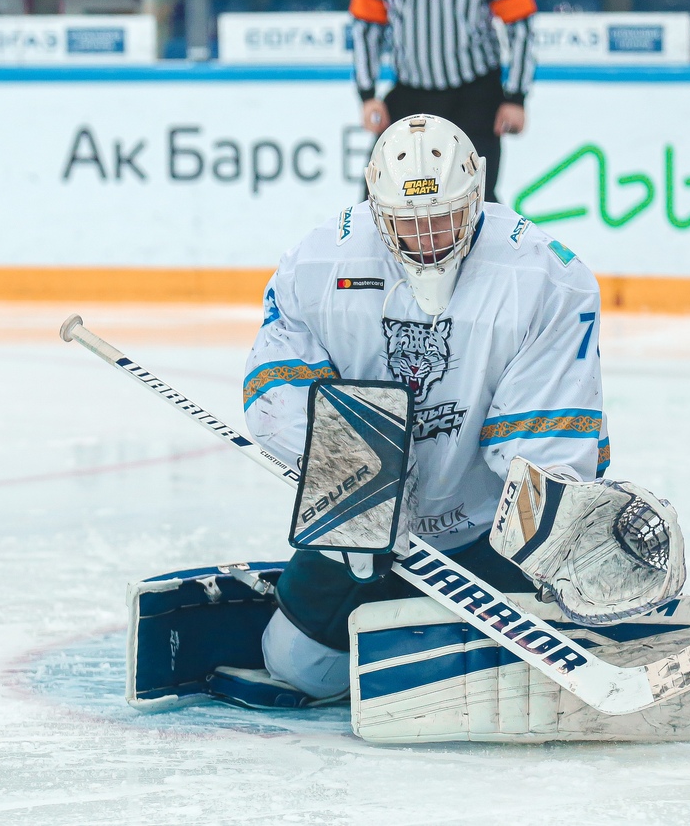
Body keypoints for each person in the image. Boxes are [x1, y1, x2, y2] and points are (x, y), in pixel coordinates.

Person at [242, 114, 607, 700]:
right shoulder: (316, 263)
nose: (429, 237)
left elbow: (545, 438)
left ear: (478, 193)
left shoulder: (548, 277)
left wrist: (553, 530)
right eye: (407, 221)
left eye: (445, 216)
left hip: (487, 528)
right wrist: (360, 484)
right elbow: (277, 386)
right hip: (358, 524)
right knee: (297, 665)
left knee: (510, 683)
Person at [348, 0, 537, 203]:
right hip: (410, 96)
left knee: (477, 199)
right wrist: (367, 95)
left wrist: (516, 97)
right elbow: (366, 23)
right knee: (380, 195)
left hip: (475, 96)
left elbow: (520, 21)